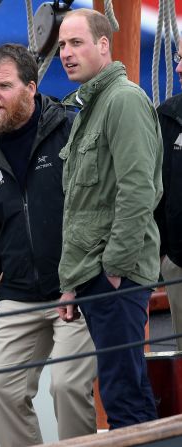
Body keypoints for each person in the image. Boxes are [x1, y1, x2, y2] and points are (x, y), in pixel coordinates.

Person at [0, 43, 96, 447]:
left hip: (77, 285)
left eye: (3, 85)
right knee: (1, 391)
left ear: (31, 88)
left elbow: (99, 208)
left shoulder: (72, 135)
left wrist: (86, 275)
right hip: (18, 293)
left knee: (67, 388)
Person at [56, 8, 162, 428]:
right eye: (62, 44)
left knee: (124, 391)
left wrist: (115, 269)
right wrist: (71, 285)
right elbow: (81, 207)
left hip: (116, 274)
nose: (65, 52)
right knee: (120, 387)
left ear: (104, 45)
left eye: (76, 43)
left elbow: (139, 193)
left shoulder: (123, 101)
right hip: (93, 274)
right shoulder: (89, 108)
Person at [156, 41, 182, 351]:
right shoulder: (168, 116)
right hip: (178, 262)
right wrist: (163, 257)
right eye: (178, 59)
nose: (177, 69)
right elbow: (156, 188)